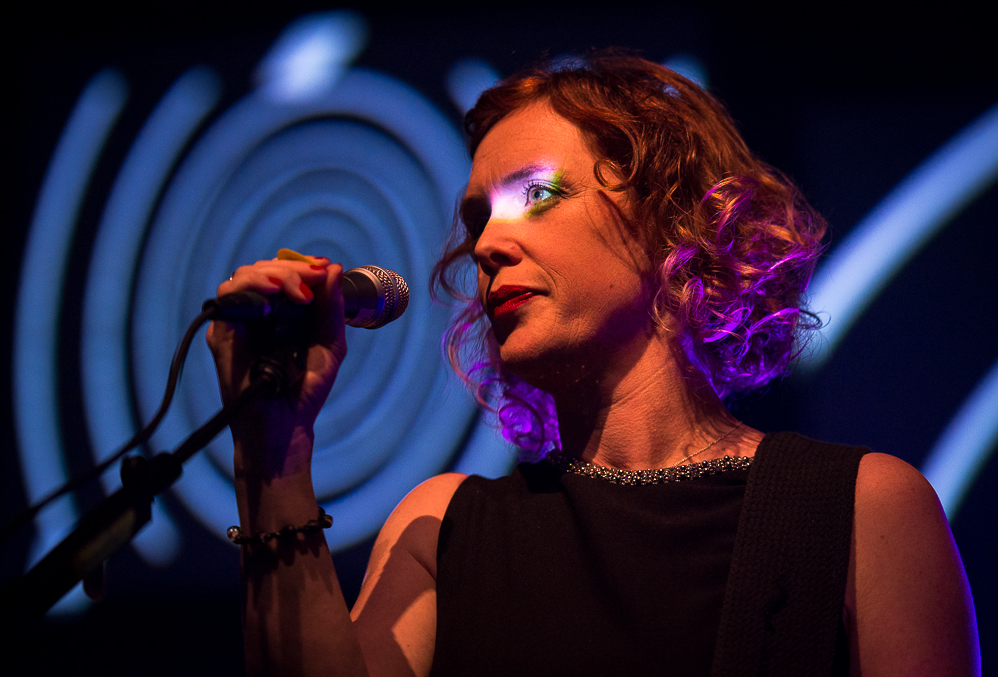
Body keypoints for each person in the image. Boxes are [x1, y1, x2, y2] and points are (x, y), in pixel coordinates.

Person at [207, 52, 981, 676]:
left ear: (672, 224)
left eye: (535, 194)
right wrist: (271, 451)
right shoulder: (441, 527)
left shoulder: (860, 508)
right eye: (478, 219)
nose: (485, 244)